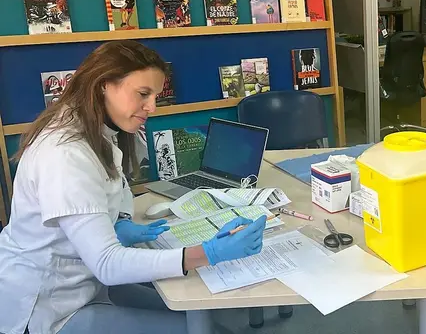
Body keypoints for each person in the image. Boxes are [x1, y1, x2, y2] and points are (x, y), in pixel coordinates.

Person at [0, 40, 268, 334]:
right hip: (48, 304)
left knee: (198, 318)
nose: (151, 107)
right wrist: (207, 253)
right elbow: (107, 263)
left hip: (84, 283)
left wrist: (119, 223)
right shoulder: (64, 154)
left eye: (155, 96)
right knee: (201, 329)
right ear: (104, 85)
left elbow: (114, 189)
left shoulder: (98, 129)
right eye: (143, 94)